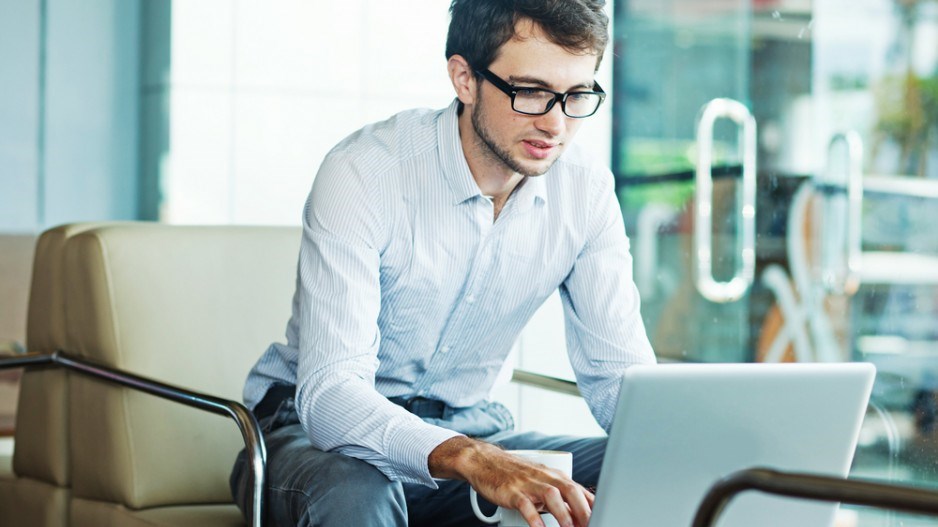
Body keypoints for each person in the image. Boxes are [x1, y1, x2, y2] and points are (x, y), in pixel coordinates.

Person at [230, 1, 656, 526]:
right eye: (531, 93)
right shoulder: (365, 174)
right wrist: (473, 459)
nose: (556, 124)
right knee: (359, 490)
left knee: (645, 463)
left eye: (576, 96)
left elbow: (620, 381)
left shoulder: (585, 193)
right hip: (309, 441)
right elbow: (331, 396)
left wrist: (707, 448)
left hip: (474, 429)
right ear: (464, 79)